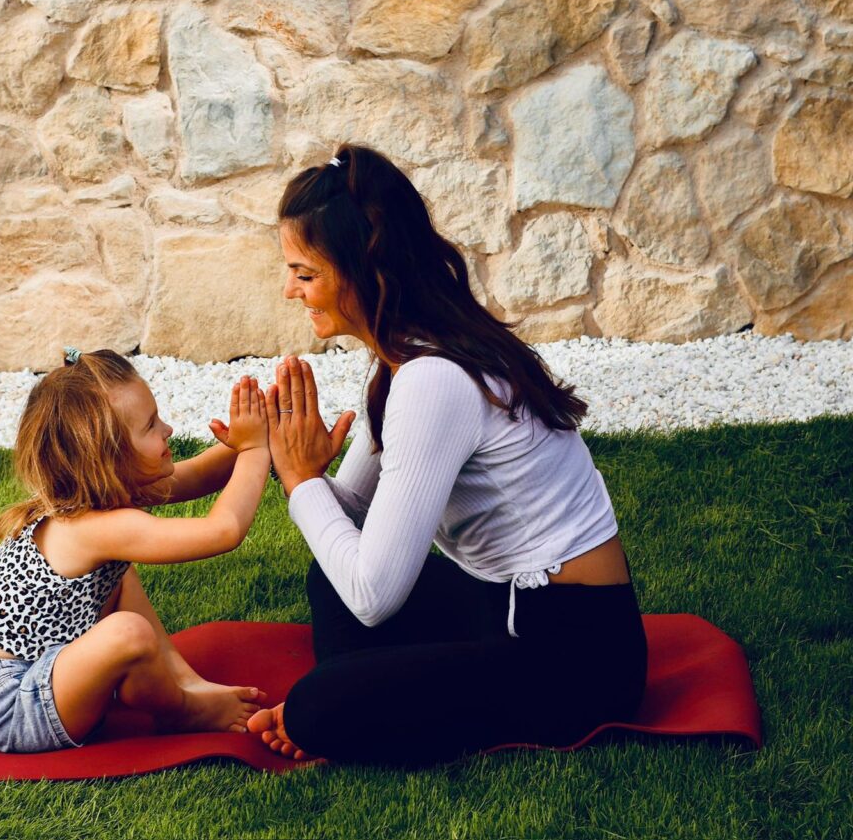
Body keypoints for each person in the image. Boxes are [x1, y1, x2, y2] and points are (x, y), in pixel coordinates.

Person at [247, 145, 648, 765]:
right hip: (504, 604)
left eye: (305, 274)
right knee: (329, 578)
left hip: (575, 656)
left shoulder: (431, 380)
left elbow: (374, 593)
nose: (289, 290)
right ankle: (375, 701)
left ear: (365, 270)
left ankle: (351, 711)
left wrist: (303, 483)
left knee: (316, 706)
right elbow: (351, 513)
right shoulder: (413, 350)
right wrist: (304, 472)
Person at [0, 347, 271, 753]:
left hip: (46, 671)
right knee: (128, 631)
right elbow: (224, 531)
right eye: (151, 426)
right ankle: (182, 708)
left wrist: (255, 436)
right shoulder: (91, 527)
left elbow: (194, 475)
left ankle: (183, 680)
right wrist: (256, 450)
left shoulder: (92, 495)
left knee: (120, 576)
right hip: (13, 708)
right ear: (109, 457)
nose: (168, 430)